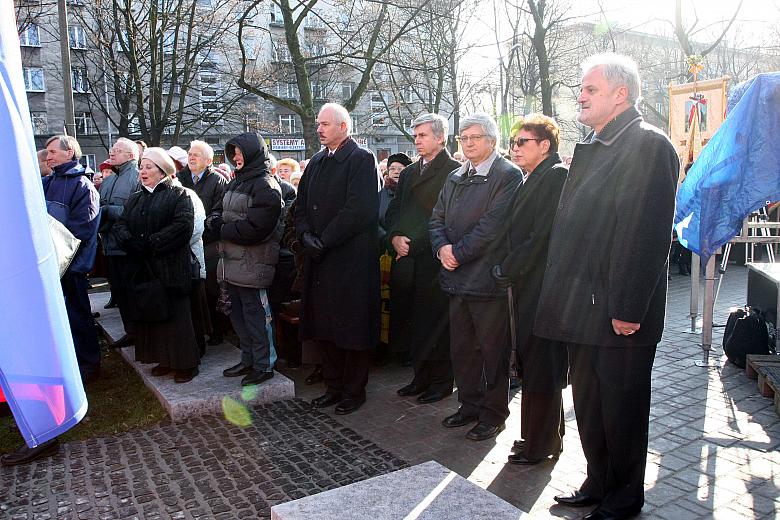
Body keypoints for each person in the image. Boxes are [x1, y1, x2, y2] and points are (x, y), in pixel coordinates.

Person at [535, 54, 679, 520]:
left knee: (622, 407)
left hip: (618, 311)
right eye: (581, 87)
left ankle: (623, 496)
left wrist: (629, 307)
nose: (580, 95)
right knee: (591, 404)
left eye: (590, 89)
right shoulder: (594, 145)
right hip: (583, 306)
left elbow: (644, 234)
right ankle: (598, 481)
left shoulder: (647, 146)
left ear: (621, 94)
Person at [429, 113, 522, 441]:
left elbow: (492, 227)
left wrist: (457, 253)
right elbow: (436, 218)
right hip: (456, 280)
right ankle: (469, 405)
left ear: (492, 141)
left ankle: (494, 414)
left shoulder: (508, 175)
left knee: (493, 352)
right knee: (463, 349)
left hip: (486, 281)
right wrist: (442, 248)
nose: (467, 143)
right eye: (463, 138)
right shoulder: (455, 176)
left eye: (474, 137)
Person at [490, 114, 568, 465]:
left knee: (542, 365)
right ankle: (539, 436)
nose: (515, 148)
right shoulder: (533, 176)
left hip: (543, 286)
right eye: (514, 142)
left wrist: (508, 267)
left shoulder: (555, 176)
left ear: (544, 145)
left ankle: (542, 443)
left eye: (522, 142)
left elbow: (541, 236)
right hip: (528, 283)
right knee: (533, 363)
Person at [294, 102, 381, 415]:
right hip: (320, 259)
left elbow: (360, 209)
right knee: (325, 327)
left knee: (351, 329)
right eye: (318, 124)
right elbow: (300, 206)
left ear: (344, 127)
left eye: (325, 124)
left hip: (350, 261)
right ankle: (333, 386)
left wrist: (324, 240)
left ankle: (353, 391)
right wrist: (306, 237)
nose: (319, 129)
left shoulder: (361, 159)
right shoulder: (317, 161)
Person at [386, 113, 460, 404]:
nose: (417, 141)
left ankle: (441, 381)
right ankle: (420, 376)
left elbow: (444, 218)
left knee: (436, 324)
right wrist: (393, 237)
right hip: (407, 259)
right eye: (415, 136)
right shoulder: (408, 173)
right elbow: (394, 211)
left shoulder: (452, 170)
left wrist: (412, 243)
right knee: (414, 322)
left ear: (440, 137)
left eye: (423, 135)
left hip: (432, 259)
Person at [111, 148, 199, 383]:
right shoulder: (136, 198)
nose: (143, 171)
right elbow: (120, 224)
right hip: (145, 268)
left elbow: (182, 227)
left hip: (170, 267)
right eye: (141, 167)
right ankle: (164, 359)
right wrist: (130, 241)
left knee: (177, 318)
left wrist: (151, 243)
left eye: (149, 167)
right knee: (154, 316)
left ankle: (186, 364)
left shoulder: (179, 195)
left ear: (163, 171)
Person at [209, 132, 282, 387]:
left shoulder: (266, 185)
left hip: (253, 265)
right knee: (239, 317)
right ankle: (248, 358)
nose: (236, 157)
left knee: (257, 318)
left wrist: (221, 228)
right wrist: (218, 223)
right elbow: (217, 212)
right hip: (232, 264)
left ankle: (265, 365)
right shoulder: (235, 182)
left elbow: (256, 229)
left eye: (240, 152)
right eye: (234, 153)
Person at [42, 135, 101, 383]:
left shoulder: (82, 186)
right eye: (47, 153)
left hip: (70, 265)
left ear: (70, 153)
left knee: (77, 316)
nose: (48, 156)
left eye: (53, 151)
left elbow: (82, 230)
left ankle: (89, 365)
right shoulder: (46, 182)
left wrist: (54, 248)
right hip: (49, 264)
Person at [177, 140, 229, 347]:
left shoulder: (217, 181)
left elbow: (218, 211)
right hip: (183, 243)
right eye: (190, 153)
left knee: (209, 289)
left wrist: (201, 231)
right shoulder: (180, 180)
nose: (191, 157)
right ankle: (195, 330)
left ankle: (216, 330)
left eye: (197, 154)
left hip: (208, 244)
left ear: (208, 161)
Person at [99, 137, 141, 342]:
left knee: (133, 293)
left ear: (131, 155)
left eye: (118, 150)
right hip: (110, 244)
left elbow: (137, 210)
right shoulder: (109, 179)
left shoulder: (136, 176)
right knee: (120, 292)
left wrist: (108, 211)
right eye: (112, 149)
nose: (112, 152)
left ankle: (139, 332)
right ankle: (130, 331)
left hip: (128, 246)